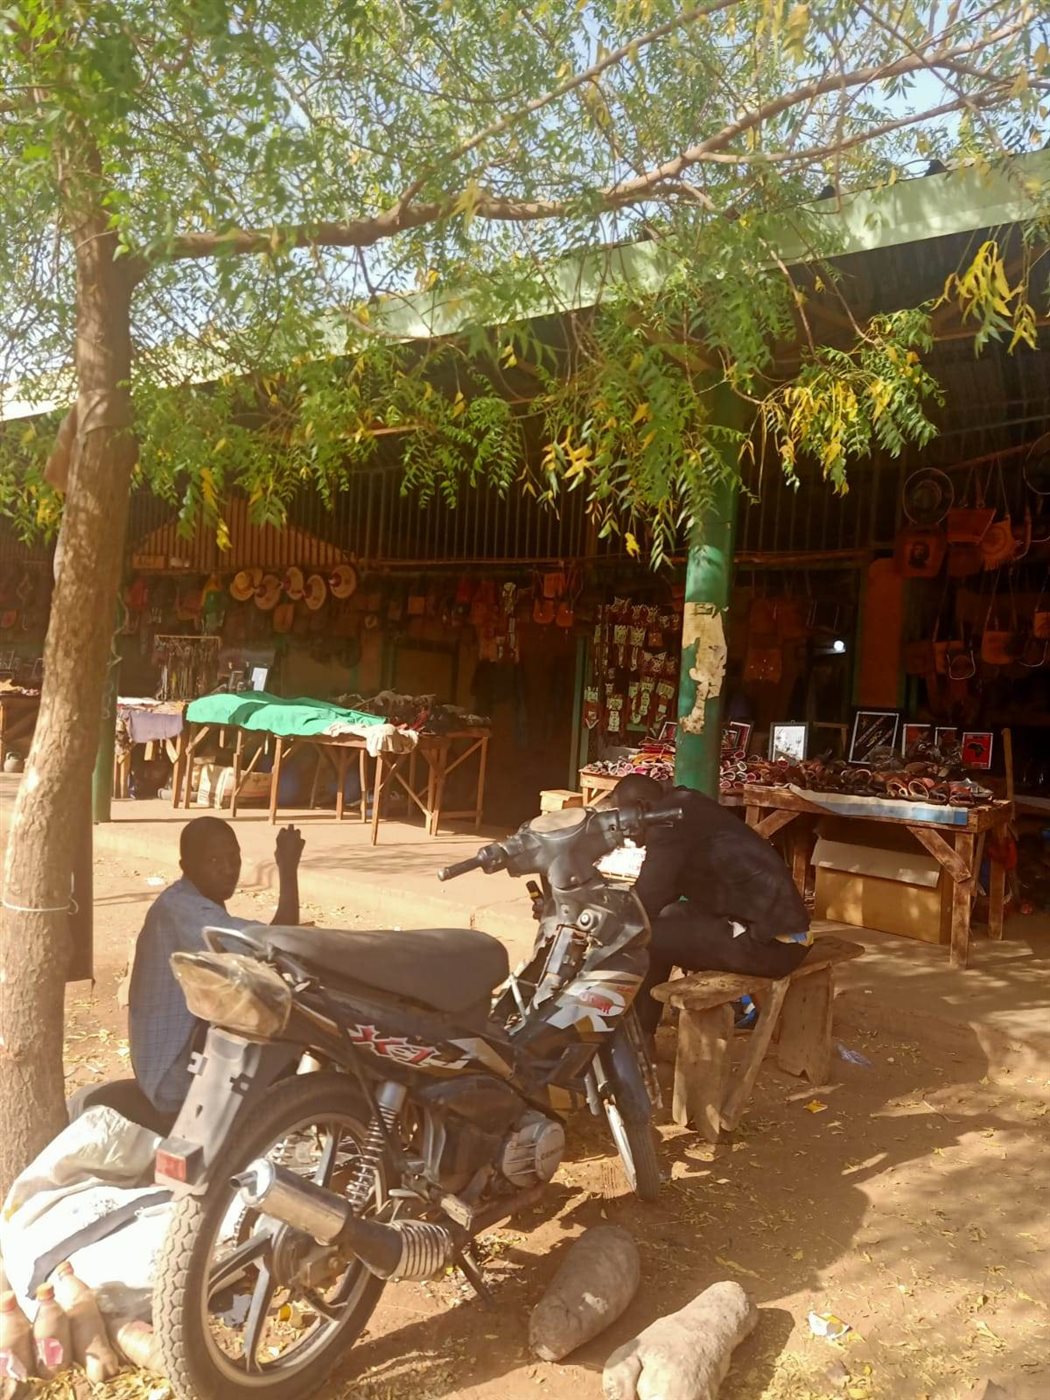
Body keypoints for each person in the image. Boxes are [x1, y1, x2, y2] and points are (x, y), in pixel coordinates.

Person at [599, 774, 810, 1036]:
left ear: (642, 806)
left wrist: (601, 915)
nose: (622, 827)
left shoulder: (669, 821)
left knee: (647, 936)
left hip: (774, 947)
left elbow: (647, 897)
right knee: (668, 916)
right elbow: (660, 896)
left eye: (622, 816)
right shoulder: (685, 806)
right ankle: (643, 1032)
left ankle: (641, 1037)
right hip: (778, 934)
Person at [128, 817, 305, 1115]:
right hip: (172, 1075)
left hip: (181, 1054)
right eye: (213, 860)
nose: (228, 868)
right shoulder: (183, 909)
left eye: (233, 857)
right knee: (289, 1036)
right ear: (186, 866)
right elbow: (275, 940)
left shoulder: (194, 899)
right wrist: (288, 869)